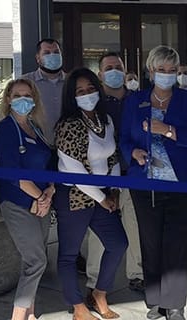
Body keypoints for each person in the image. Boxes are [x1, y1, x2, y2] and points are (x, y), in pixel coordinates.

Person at [121, 46, 187, 320]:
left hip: (180, 183)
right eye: (161, 70)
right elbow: (124, 139)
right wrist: (133, 152)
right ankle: (155, 301)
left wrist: (168, 131)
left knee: (177, 244)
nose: (166, 75)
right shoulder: (135, 100)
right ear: (150, 71)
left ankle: (175, 303)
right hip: (144, 184)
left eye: (171, 70)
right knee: (151, 242)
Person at [54, 68, 129, 320]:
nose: (87, 94)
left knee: (118, 244)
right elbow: (73, 171)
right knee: (69, 254)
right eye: (80, 91)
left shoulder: (104, 120)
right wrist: (103, 198)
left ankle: (99, 294)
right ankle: (77, 307)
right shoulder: (68, 125)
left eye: (90, 89)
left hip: (103, 195)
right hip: (75, 198)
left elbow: (114, 157)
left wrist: (115, 190)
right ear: (71, 97)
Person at [81, 52, 146, 296]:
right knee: (100, 231)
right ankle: (94, 280)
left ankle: (138, 275)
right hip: (103, 176)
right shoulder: (94, 103)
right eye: (108, 68)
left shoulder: (138, 99)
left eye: (118, 67)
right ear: (100, 74)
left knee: (135, 226)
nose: (114, 71)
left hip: (133, 172)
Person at [0, 79, 55, 320]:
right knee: (36, 261)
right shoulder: (6, 128)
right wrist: (40, 196)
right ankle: (18, 317)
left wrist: (49, 192)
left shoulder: (35, 127)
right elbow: (12, 172)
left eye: (27, 95)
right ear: (8, 99)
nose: (23, 99)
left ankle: (30, 313)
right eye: (17, 95)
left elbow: (48, 164)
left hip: (41, 202)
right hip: (19, 203)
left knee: (31, 262)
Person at [22, 38, 66, 143]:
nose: (52, 55)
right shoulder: (25, 82)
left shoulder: (72, 82)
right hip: (37, 145)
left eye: (56, 52)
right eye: (47, 53)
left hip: (69, 146)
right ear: (38, 58)